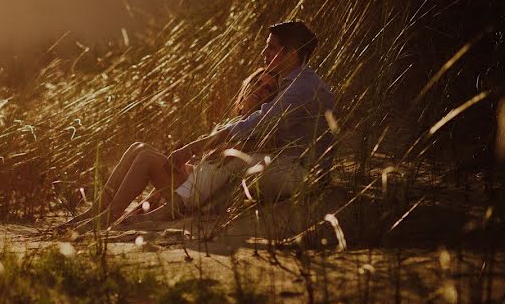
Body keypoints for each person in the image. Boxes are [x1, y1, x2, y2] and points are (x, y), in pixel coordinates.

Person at [73, 20, 335, 231]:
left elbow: (257, 124)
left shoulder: (300, 88)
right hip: (275, 170)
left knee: (234, 158)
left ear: (291, 54)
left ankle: (111, 218)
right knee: (141, 149)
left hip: (300, 174)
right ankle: (97, 212)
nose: (263, 54)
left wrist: (193, 147)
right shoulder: (293, 83)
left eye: (271, 48)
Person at [69, 67, 279, 231]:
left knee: (147, 158)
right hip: (191, 184)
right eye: (257, 83)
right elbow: (206, 165)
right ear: (247, 86)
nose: (260, 90)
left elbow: (236, 162)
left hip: (201, 199)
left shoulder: (263, 126)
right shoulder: (234, 122)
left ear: (272, 99)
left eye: (268, 89)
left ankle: (107, 216)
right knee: (139, 147)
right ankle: (95, 211)